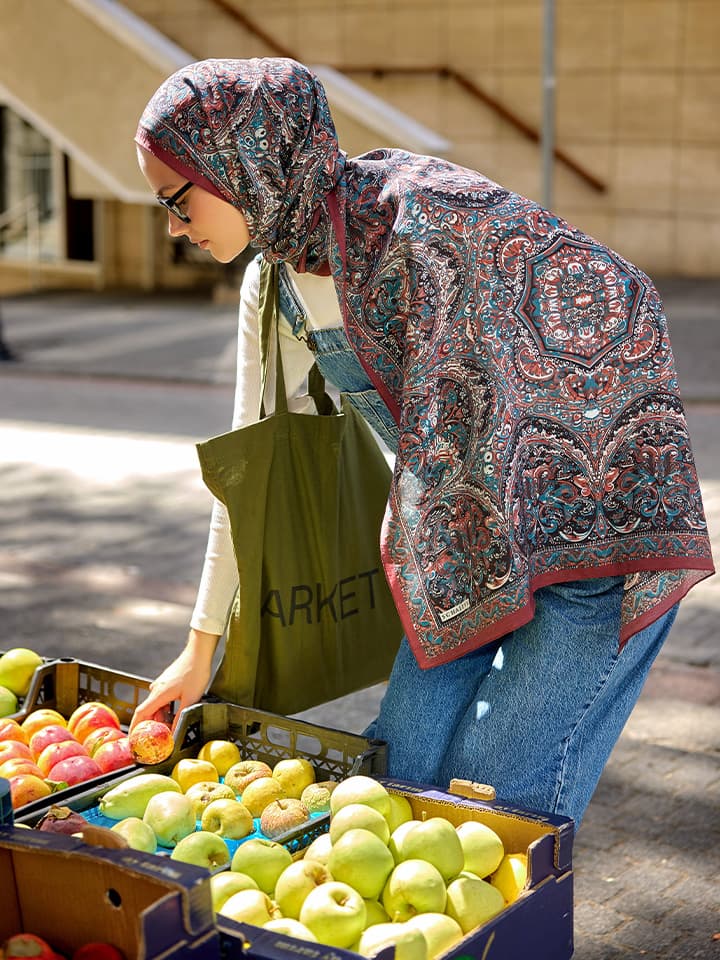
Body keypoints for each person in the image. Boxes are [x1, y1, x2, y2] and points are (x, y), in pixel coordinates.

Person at [130, 57, 714, 826]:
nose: (173, 228)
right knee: (392, 781)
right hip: (466, 553)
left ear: (243, 161)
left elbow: (621, 288)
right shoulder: (273, 285)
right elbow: (246, 482)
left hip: (591, 545)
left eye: (178, 199)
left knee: (496, 806)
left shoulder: (426, 218)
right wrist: (199, 649)